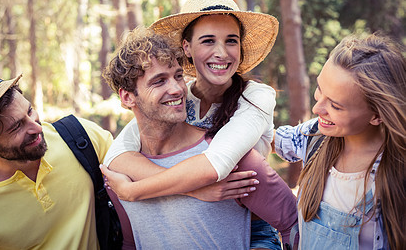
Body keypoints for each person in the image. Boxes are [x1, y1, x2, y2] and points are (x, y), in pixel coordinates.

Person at [102, 26, 297, 249]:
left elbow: (294, 224)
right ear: (127, 97)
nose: (177, 89)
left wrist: (132, 191)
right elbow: (130, 242)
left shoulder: (237, 159)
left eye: (178, 76)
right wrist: (193, 190)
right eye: (159, 81)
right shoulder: (119, 175)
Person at [275, 34, 405, 249]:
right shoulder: (315, 135)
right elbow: (266, 139)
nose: (317, 109)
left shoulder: (398, 173)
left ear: (377, 115)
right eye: (319, 89)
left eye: (335, 106)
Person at [0, 73, 114, 249]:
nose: (37, 127)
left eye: (30, 110)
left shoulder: (79, 135)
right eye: (17, 126)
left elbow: (133, 163)